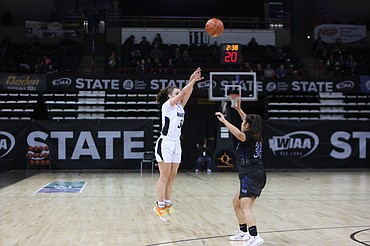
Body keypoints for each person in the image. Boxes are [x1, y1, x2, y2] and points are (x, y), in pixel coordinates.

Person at [153, 67, 204, 223]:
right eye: (176, 94)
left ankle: (167, 205)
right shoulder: (167, 106)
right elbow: (183, 92)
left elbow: (186, 93)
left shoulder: (180, 107)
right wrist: (192, 81)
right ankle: (159, 206)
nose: (179, 95)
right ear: (170, 96)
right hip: (165, 142)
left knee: (172, 177)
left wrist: (191, 79)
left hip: (176, 143)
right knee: (164, 176)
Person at [215, 97, 266, 246]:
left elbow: (238, 133)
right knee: (236, 203)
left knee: (246, 208)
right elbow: (248, 121)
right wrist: (238, 109)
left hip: (251, 174)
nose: (242, 123)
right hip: (252, 174)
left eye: (244, 123)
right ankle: (243, 232)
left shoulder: (247, 136)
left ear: (248, 126)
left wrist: (224, 121)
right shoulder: (255, 133)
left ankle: (255, 237)